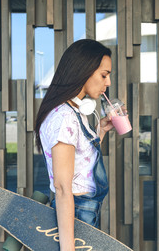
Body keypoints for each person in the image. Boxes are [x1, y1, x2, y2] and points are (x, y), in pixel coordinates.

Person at [34, 39, 117, 250]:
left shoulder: (73, 112)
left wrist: (102, 131)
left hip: (84, 211)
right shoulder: (64, 117)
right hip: (78, 213)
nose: (107, 83)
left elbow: (82, 161)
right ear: (84, 70)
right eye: (104, 75)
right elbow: (63, 189)